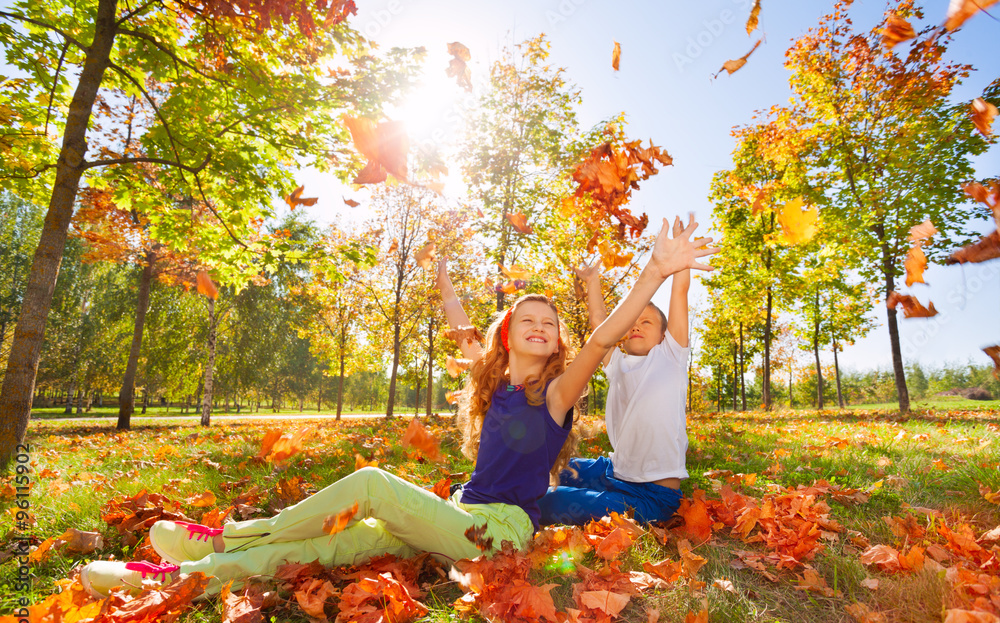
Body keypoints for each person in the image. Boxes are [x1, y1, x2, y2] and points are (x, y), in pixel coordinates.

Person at [80, 218, 715, 599]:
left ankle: (224, 536)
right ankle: (184, 572)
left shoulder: (555, 394)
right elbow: (465, 330)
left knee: (373, 486)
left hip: (498, 532)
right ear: (508, 334)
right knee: (337, 547)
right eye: (529, 318)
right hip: (460, 515)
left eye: (550, 320)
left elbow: (603, 337)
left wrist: (656, 271)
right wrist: (443, 285)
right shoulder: (492, 384)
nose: (543, 324)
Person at [538, 215, 695, 527]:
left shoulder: (672, 357)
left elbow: (679, 294)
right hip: (610, 471)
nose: (636, 326)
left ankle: (500, 509)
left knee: (551, 500)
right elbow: (601, 324)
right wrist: (592, 280)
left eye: (646, 322)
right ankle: (485, 490)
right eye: (632, 323)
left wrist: (680, 262)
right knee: (545, 466)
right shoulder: (618, 363)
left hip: (650, 497)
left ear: (664, 335)